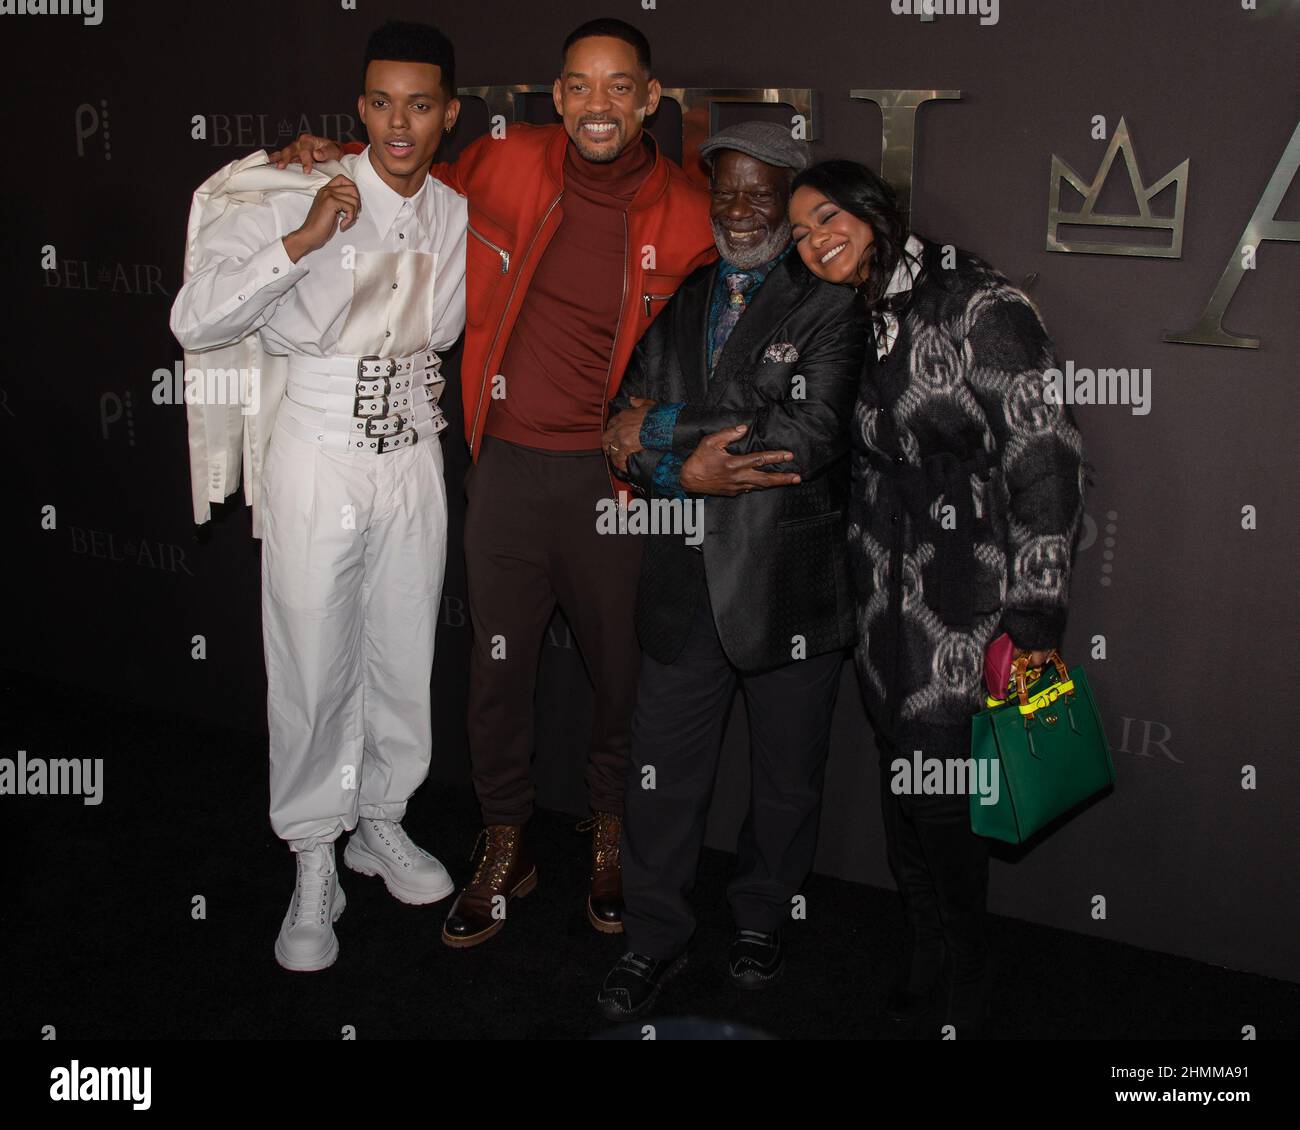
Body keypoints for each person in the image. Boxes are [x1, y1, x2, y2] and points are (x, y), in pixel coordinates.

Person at [271, 19, 717, 947]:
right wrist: (328, 157)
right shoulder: (504, 163)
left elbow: (720, 343)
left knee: (616, 678)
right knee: (495, 675)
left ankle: (610, 836)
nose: (598, 105)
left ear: (649, 97)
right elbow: (402, 166)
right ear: (557, 97)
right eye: (580, 87)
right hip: (506, 465)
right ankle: (505, 839)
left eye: (618, 87)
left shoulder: (686, 210)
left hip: (613, 484)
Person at [170, 21, 468, 971]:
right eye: (380, 102)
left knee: (400, 646)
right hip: (319, 444)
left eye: (419, 104)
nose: (397, 122)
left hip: (414, 450)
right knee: (308, 650)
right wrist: (302, 238)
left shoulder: (457, 211)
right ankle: (312, 853)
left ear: (449, 115)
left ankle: (379, 821)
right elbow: (195, 316)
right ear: (360, 108)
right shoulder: (302, 187)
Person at [788, 160, 1085, 1037]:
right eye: (800, 232)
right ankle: (925, 941)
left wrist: (1034, 615)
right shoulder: (856, 312)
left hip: (969, 588)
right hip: (882, 587)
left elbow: (1046, 455)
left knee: (942, 790)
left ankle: (969, 963)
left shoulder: (980, 303)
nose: (815, 241)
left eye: (829, 218)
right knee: (899, 774)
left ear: (876, 214)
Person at [594, 122, 867, 1020]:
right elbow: (619, 426)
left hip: (787, 583)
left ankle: (763, 918)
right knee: (662, 781)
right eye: (726, 193)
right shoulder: (689, 292)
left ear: (789, 205)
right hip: (680, 585)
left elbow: (808, 436)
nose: (740, 210)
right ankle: (652, 939)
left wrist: (669, 433)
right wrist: (678, 465)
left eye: (760, 194)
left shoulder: (829, 299)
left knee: (786, 780)